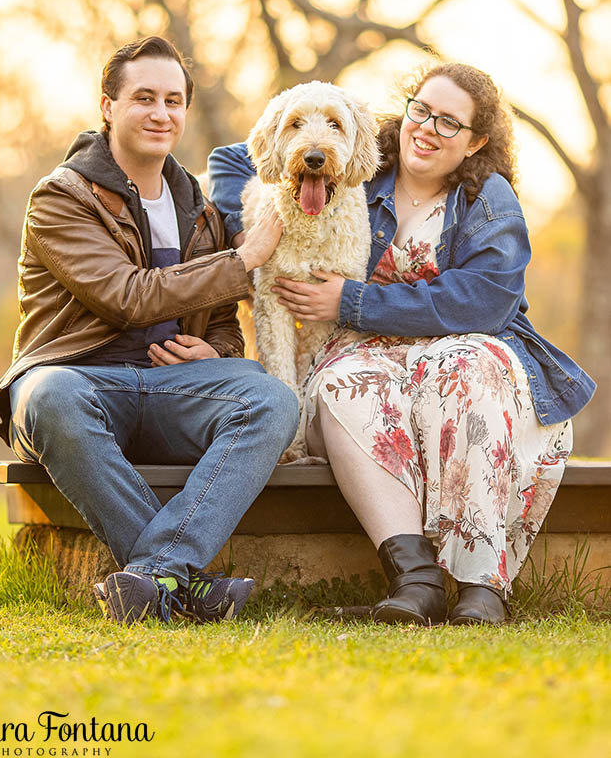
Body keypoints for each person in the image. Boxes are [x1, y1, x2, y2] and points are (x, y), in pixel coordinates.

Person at [207, 61, 595, 626]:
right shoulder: (364, 158)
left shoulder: (489, 198)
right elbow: (233, 157)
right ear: (406, 109)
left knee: (469, 368)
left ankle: (480, 585)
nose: (428, 128)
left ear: (476, 141)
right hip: (366, 354)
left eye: (449, 123)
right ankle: (414, 581)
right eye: (422, 110)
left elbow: (484, 303)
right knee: (343, 384)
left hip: (463, 350)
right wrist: (253, 227)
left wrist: (353, 302)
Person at [0, 35, 298, 626]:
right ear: (107, 106)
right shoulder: (61, 197)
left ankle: (155, 579)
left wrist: (214, 350)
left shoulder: (197, 207)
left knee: (271, 399)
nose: (161, 113)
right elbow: (127, 297)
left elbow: (225, 326)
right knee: (49, 395)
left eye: (174, 101)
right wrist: (244, 258)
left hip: (171, 390)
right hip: (80, 385)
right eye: (144, 97)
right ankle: (186, 583)